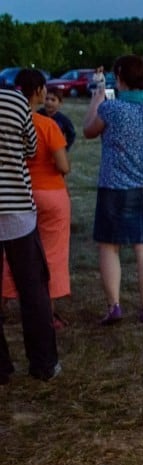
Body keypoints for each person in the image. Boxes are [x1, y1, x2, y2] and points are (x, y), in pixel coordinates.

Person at [82, 54, 143, 325]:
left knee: (109, 246)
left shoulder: (112, 110)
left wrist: (97, 99)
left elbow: (88, 131)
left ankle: (115, 305)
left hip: (116, 186)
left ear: (119, 78)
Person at [2, 70, 72, 330]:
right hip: (51, 194)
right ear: (40, 91)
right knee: (50, 255)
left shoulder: (7, 120)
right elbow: (62, 165)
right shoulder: (46, 124)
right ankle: (47, 315)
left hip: (19, 193)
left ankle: (7, 300)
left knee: (12, 255)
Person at [0, 87, 60, 383]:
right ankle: (43, 363)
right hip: (17, 209)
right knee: (32, 289)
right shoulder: (14, 102)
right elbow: (31, 149)